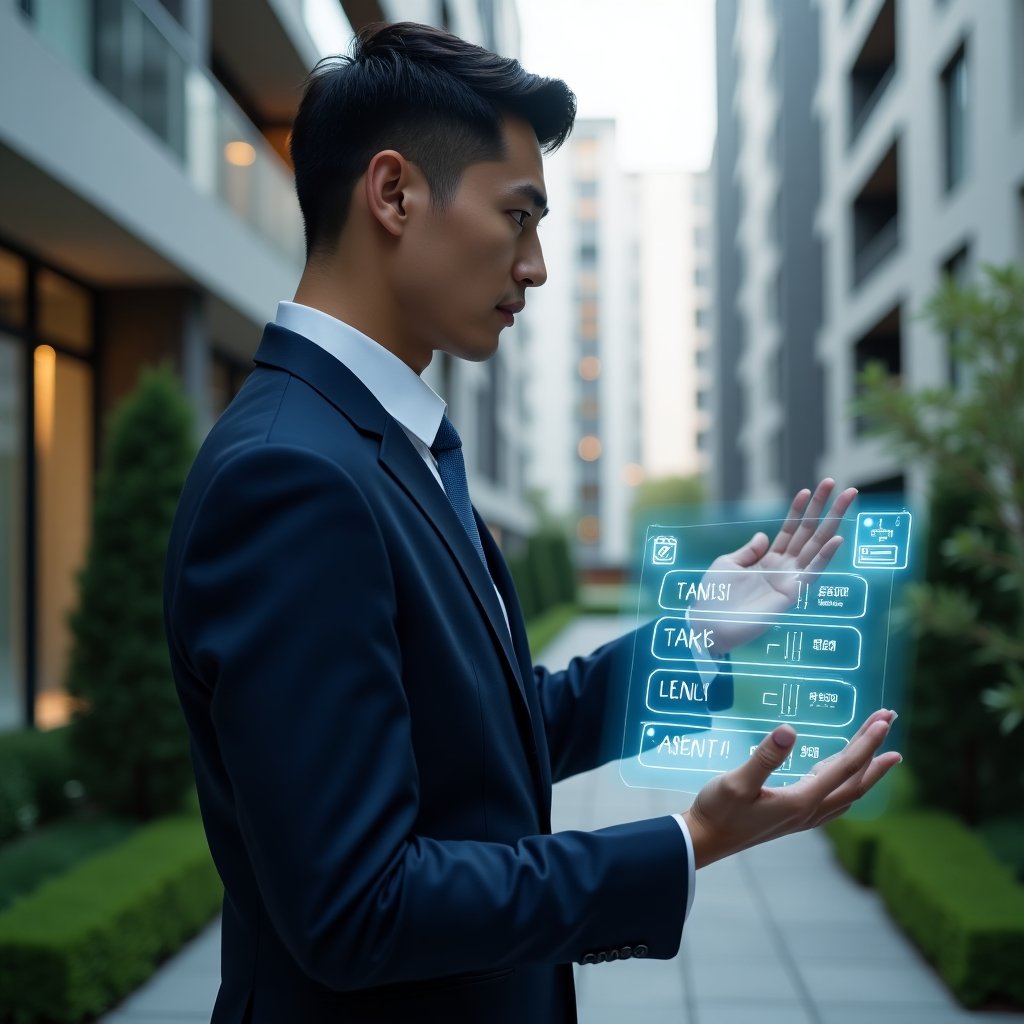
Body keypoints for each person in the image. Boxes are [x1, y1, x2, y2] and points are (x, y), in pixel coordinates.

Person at [163, 22, 901, 1023]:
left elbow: (492, 738)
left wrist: (698, 637)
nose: (538, 266)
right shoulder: (293, 476)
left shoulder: (382, 444)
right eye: (518, 217)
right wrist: (684, 843)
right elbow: (357, 907)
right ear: (393, 194)